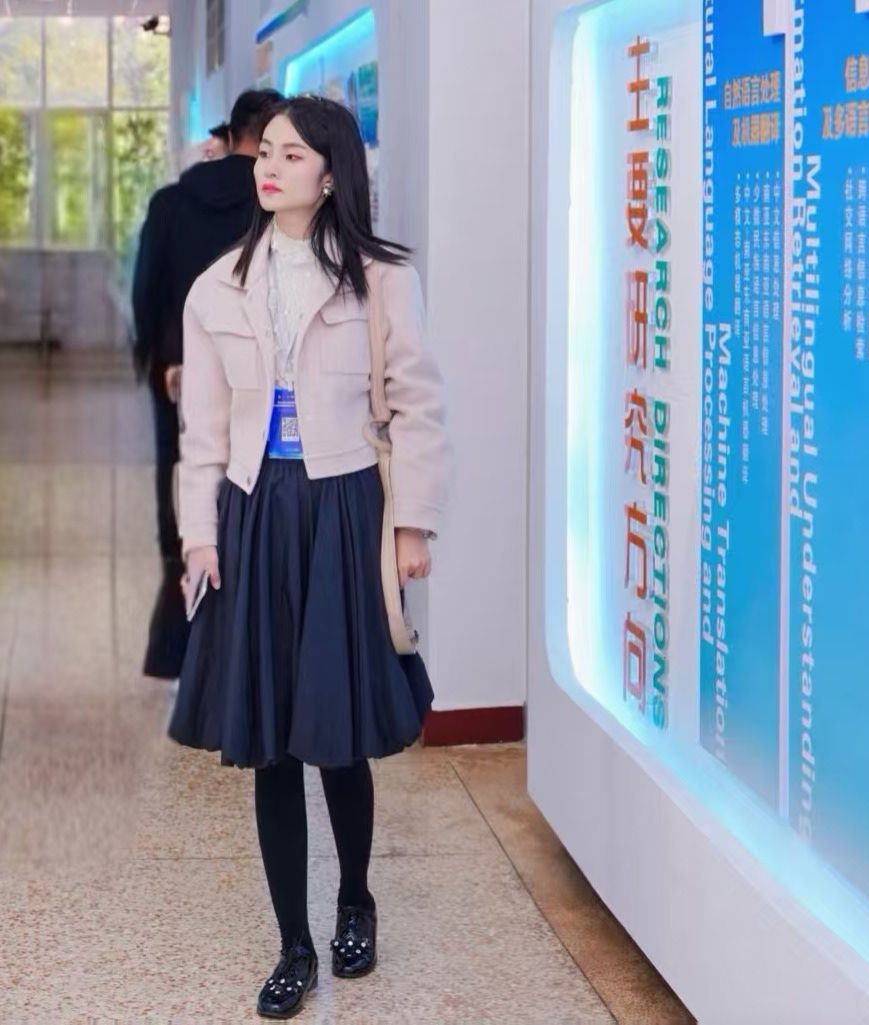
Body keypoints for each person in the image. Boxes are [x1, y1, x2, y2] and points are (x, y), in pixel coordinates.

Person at [167, 96, 451, 1018]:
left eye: (293, 155)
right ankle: (293, 941)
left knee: (336, 729)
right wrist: (199, 535)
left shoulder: (383, 280)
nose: (270, 166)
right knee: (270, 740)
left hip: (344, 505)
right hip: (255, 510)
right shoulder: (215, 288)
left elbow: (417, 404)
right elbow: (203, 430)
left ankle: (354, 899)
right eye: (268, 152)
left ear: (332, 173)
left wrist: (411, 524)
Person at [132, 88, 283, 680]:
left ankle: (181, 627)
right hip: (255, 372)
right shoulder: (275, 205)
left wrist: (154, 360)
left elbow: (146, 291)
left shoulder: (171, 202)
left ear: (232, 132)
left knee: (181, 478)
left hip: (177, 369)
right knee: (248, 482)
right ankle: (245, 632)